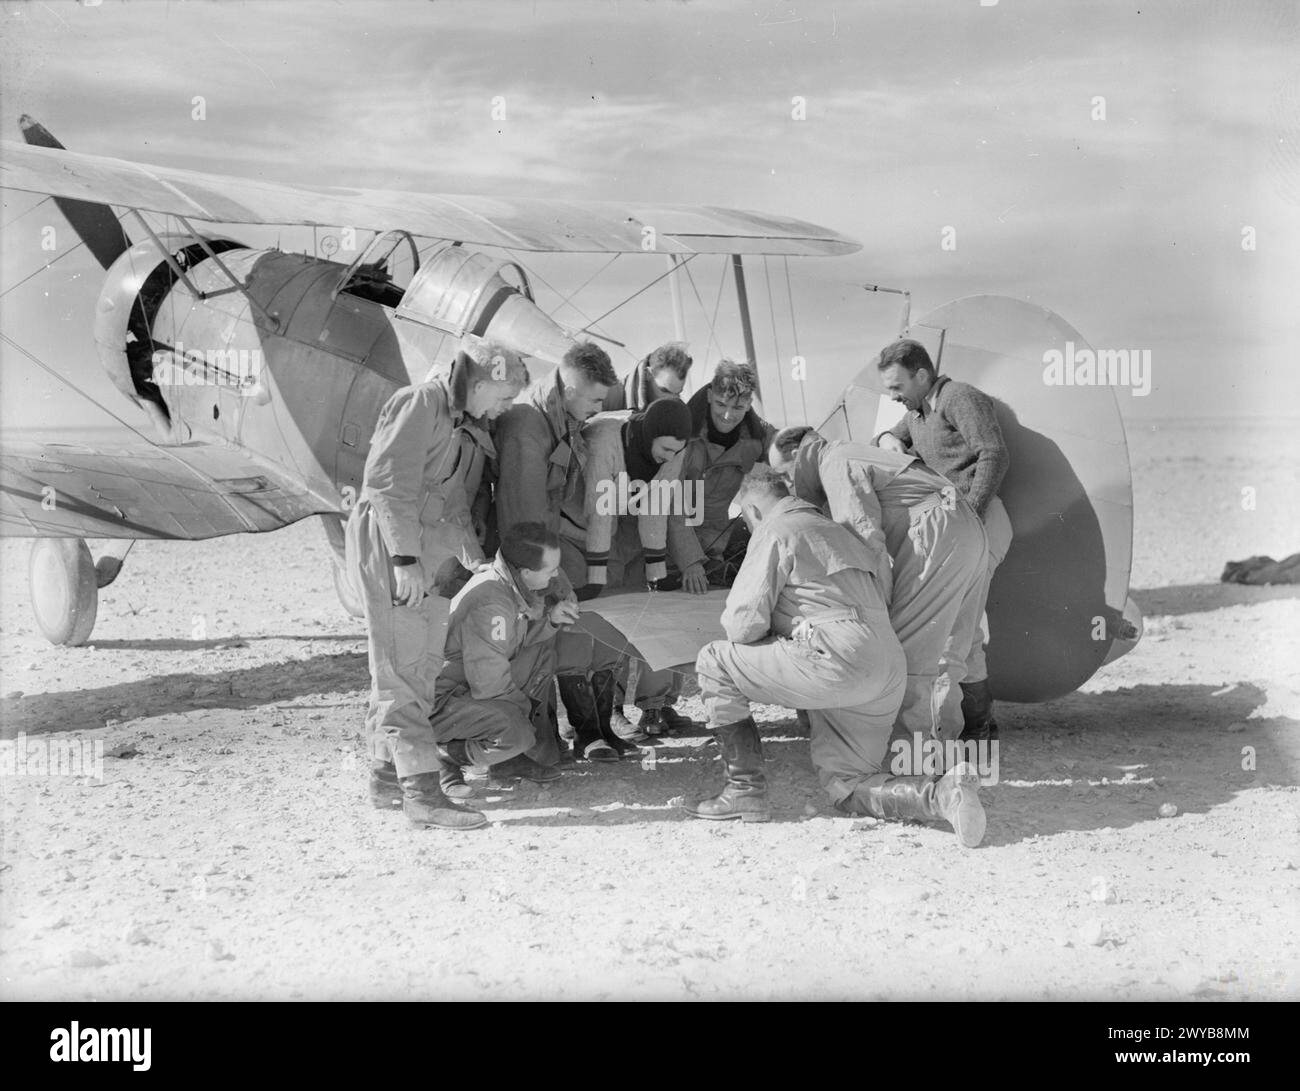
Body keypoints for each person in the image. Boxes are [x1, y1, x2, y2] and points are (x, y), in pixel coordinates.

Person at [686, 466, 986, 848]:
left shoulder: (775, 530)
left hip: (833, 659)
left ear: (754, 511)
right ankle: (942, 796)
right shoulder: (839, 532)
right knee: (848, 785)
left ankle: (743, 789)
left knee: (714, 659)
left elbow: (742, 625)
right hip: (886, 666)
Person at [348, 338, 528, 831]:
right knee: (401, 668)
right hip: (394, 549)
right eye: (505, 395)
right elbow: (386, 485)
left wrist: (475, 562)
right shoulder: (419, 403)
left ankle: (386, 776)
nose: (504, 407)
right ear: (483, 380)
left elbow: (449, 505)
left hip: (428, 556)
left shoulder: (456, 420)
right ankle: (422, 795)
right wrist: (403, 559)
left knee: (420, 665)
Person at [492, 341, 671, 761]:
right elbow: (523, 518)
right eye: (593, 398)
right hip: (532, 560)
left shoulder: (562, 416)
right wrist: (554, 581)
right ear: (570, 385)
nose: (597, 408)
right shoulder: (527, 426)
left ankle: (591, 731)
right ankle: (558, 741)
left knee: (580, 634)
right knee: (552, 642)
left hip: (554, 545)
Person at [768, 426, 989, 745]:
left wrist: (874, 611)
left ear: (795, 455)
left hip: (936, 534)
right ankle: (944, 755)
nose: (788, 486)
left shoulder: (834, 460)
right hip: (965, 528)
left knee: (913, 656)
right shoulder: (855, 452)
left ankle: (918, 765)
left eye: (784, 475)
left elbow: (864, 540)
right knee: (949, 651)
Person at [875, 339, 1012, 744]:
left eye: (897, 387)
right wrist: (889, 441)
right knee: (961, 632)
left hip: (980, 523)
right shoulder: (920, 411)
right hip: (955, 529)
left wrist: (969, 512)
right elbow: (888, 436)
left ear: (922, 375)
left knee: (955, 631)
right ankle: (977, 730)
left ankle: (960, 734)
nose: (893, 396)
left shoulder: (958, 397)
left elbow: (994, 454)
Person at [581, 398, 703, 739]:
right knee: (607, 615)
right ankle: (610, 710)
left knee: (648, 609)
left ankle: (653, 704)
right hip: (591, 527)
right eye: (665, 449)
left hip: (631, 527)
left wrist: (656, 570)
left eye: (676, 451)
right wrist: (595, 575)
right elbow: (599, 511)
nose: (669, 456)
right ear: (649, 434)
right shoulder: (607, 439)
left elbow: (657, 505)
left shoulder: (674, 452)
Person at [431, 523, 583, 793]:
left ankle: (505, 763)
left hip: (465, 686)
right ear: (525, 572)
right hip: (444, 702)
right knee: (517, 734)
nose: (556, 574)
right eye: (550, 570)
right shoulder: (492, 604)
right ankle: (444, 755)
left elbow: (513, 644)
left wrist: (551, 620)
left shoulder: (504, 583)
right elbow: (489, 682)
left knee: (542, 653)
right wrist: (523, 714)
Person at [603, 341, 693, 411]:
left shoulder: (676, 411)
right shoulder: (605, 395)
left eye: (678, 393)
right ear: (648, 374)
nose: (672, 399)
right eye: (664, 390)